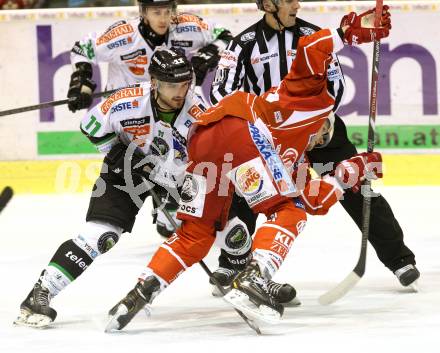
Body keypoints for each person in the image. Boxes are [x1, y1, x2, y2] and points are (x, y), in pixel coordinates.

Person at [105, 9, 388, 331]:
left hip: (203, 141)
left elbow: (313, 200)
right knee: (287, 211)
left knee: (196, 233)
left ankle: (139, 291)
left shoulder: (291, 159)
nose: (320, 138)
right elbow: (310, 48)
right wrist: (348, 33)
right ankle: (255, 276)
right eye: (324, 132)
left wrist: (351, 170)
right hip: (240, 129)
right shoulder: (306, 98)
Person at [209, 0, 419, 289]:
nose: (297, 4)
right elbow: (222, 92)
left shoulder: (312, 34)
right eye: (288, 0)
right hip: (268, 137)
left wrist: (318, 118)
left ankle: (399, 259)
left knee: (357, 185)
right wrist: (257, 123)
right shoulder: (242, 44)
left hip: (320, 128)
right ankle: (233, 265)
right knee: (248, 191)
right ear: (269, 4)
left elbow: (336, 84)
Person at [13, 49, 213, 328]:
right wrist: (119, 153)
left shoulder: (198, 111)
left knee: (215, 219)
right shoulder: (125, 102)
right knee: (101, 234)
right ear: (154, 83)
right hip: (126, 170)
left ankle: (237, 271)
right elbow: (90, 126)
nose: (180, 91)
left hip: (175, 175)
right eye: (171, 85)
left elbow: (208, 156)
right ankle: (41, 292)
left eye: (184, 83)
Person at [67, 0, 232, 237]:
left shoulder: (186, 25)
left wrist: (209, 54)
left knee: (181, 158)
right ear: (143, 11)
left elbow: (225, 36)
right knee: (137, 166)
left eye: (168, 11)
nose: (164, 18)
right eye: (156, 12)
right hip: (131, 117)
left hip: (171, 110)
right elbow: (83, 48)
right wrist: (81, 80)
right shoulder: (122, 35)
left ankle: (170, 199)